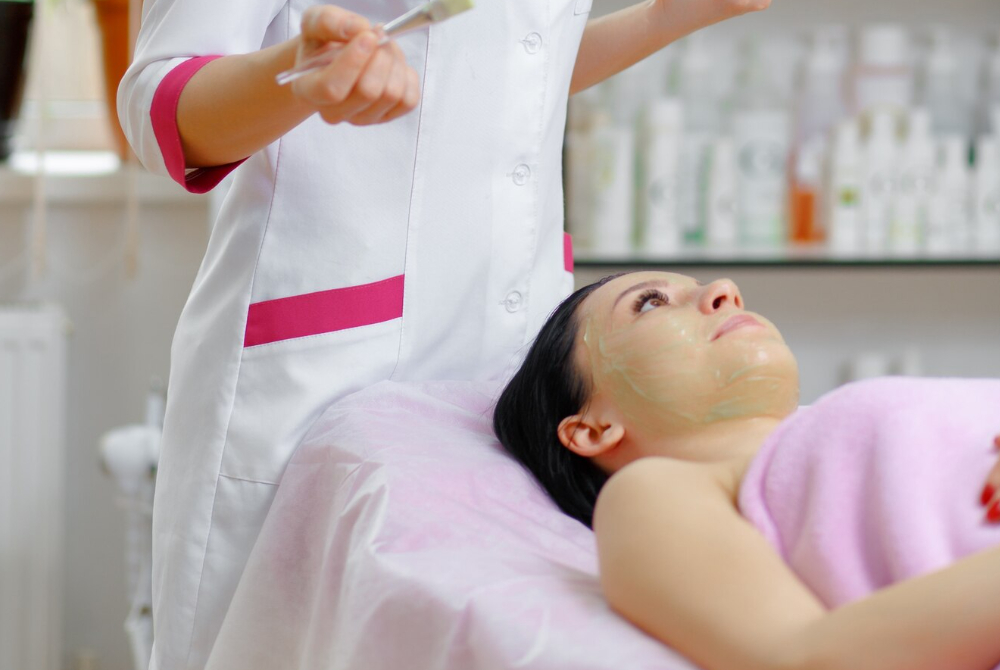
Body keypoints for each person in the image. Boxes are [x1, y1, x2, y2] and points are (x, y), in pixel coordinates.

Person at [119, 0, 774, 667]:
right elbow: (158, 103)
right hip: (325, 365)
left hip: (508, 349)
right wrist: (300, 75)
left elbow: (518, 66)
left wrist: (668, 16)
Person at [493, 270, 1000, 670]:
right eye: (651, 302)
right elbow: (799, 657)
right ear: (592, 429)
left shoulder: (826, 427)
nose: (725, 290)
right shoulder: (651, 495)